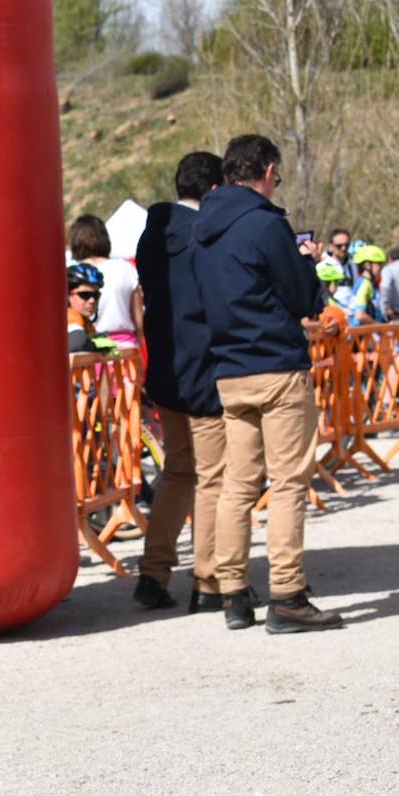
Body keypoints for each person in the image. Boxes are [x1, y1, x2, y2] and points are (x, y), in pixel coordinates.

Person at [195, 134, 341, 634]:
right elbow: (301, 296)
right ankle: (287, 594)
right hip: (277, 367)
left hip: (230, 370)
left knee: (236, 486)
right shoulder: (264, 223)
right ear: (268, 170)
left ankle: (233, 591)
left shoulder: (204, 228)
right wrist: (305, 264)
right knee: (287, 484)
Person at [132, 151, 230, 614]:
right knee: (212, 478)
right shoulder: (206, 235)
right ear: (214, 190)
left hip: (166, 372)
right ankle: (207, 579)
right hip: (205, 371)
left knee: (175, 474)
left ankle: (153, 573)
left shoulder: (154, 234)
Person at [70, 214, 143, 349]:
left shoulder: (71, 274)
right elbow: (139, 322)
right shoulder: (126, 269)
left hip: (85, 354)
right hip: (126, 353)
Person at [66, 263, 105, 356]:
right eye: (85, 295)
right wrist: (93, 345)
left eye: (96, 295)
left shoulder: (85, 320)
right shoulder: (70, 317)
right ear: (67, 295)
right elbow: (78, 341)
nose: (92, 300)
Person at [348, 245, 387, 324]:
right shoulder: (365, 284)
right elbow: (360, 315)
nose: (381, 267)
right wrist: (379, 327)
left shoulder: (369, 282)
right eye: (379, 263)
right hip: (362, 333)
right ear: (367, 265)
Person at [379, 247, 399, 322]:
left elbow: (385, 287)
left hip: (395, 316)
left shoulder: (389, 269)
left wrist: (386, 309)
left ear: (390, 259)